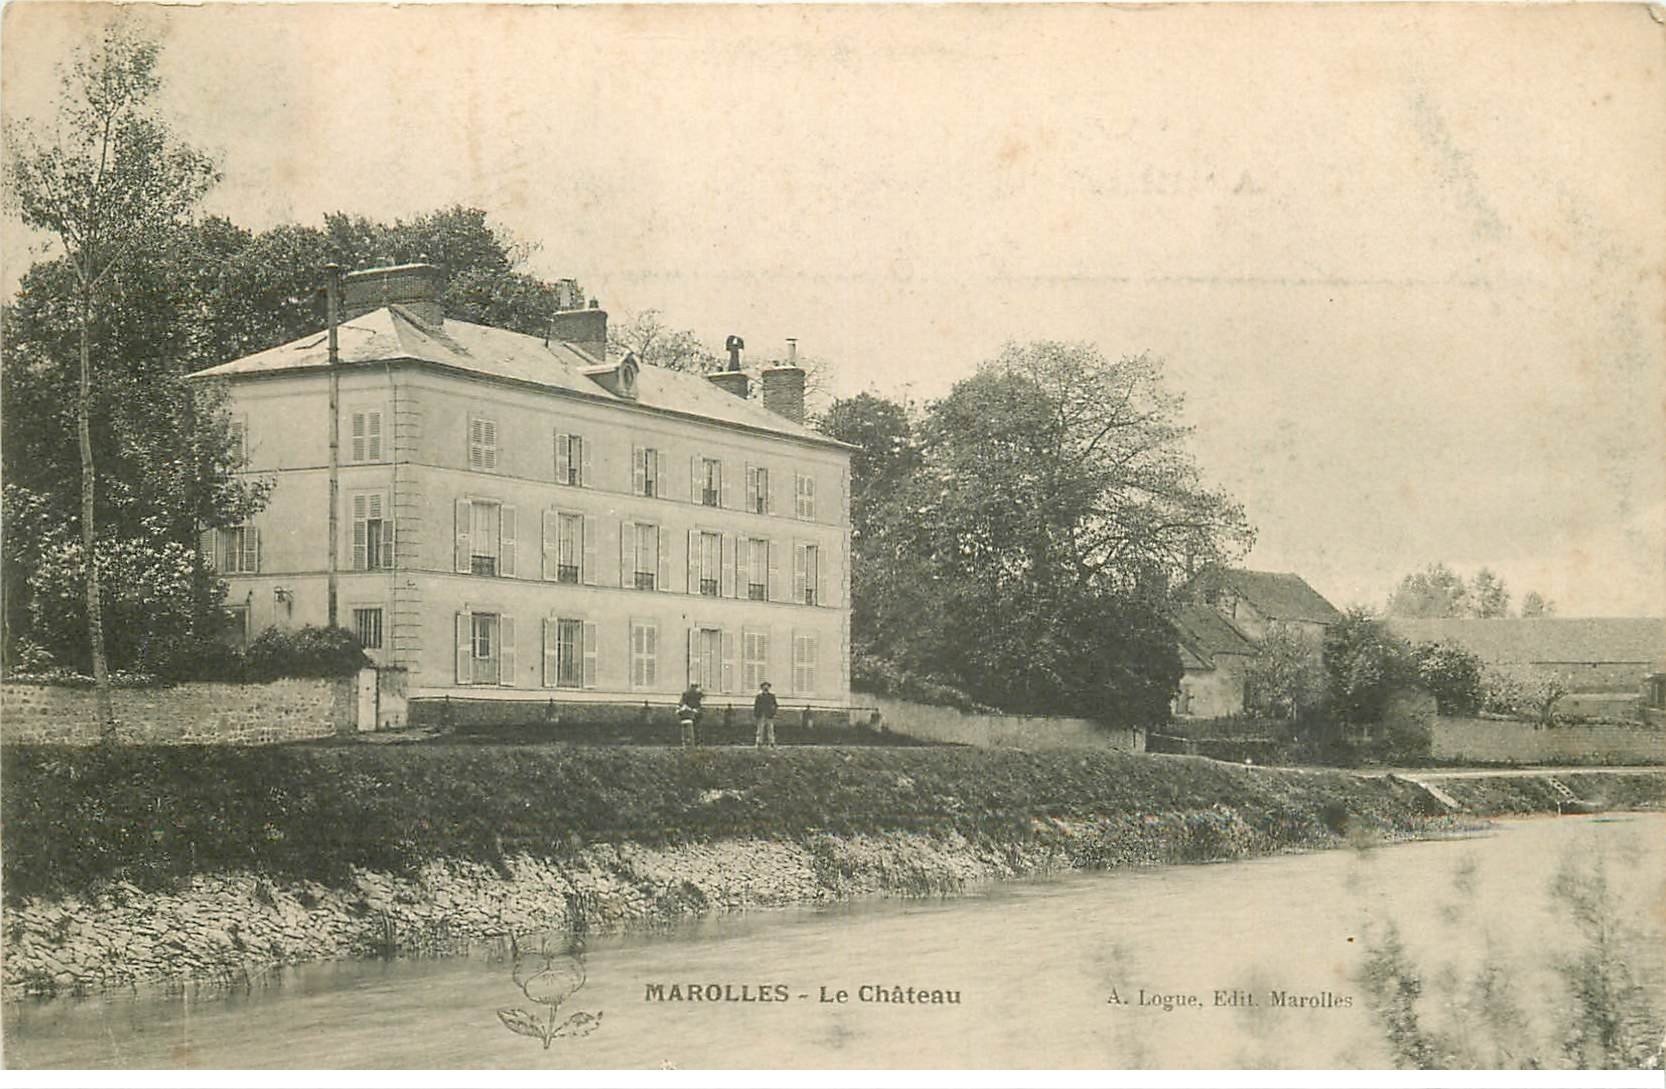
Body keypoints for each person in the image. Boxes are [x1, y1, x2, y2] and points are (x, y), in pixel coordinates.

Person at [676, 683, 703, 747]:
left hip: (687, 714)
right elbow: (698, 704)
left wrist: (680, 709)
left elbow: (681, 703)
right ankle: (696, 743)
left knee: (687, 730)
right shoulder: (696, 694)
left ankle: (687, 743)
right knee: (695, 729)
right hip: (692, 714)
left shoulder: (687, 693)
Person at [753, 681, 779, 748]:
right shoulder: (759, 696)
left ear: (769, 687)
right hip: (761, 714)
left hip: (769, 715)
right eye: (764, 686)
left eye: (767, 686)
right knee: (760, 729)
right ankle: (759, 742)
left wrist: (774, 712)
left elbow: (775, 705)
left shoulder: (772, 696)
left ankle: (772, 742)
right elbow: (756, 705)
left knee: (770, 729)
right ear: (762, 687)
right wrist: (756, 714)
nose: (766, 687)